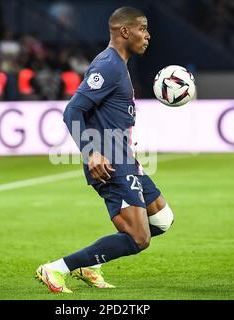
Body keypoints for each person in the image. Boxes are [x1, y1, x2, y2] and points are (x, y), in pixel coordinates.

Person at [35, 7, 175, 293]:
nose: (148, 35)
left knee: (162, 220)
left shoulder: (118, 65)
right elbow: (72, 111)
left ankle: (92, 264)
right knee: (139, 238)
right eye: (143, 28)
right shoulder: (108, 65)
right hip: (109, 162)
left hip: (127, 160)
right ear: (125, 31)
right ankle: (56, 268)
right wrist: (91, 152)